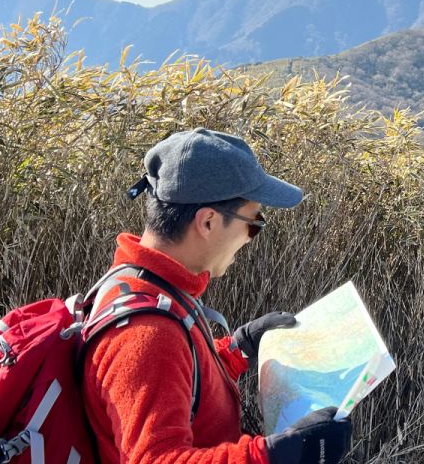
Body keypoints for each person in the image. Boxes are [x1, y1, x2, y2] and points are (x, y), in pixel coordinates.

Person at [81, 128, 352, 464]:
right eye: (254, 223)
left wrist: (237, 349)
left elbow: (179, 386)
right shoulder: (149, 335)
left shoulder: (143, 283)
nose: (253, 237)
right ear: (208, 222)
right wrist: (272, 456)